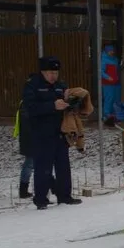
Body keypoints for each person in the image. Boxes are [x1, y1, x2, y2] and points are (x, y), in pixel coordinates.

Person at [22, 56, 82, 210]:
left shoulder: (60, 86)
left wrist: (72, 103)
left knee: (63, 166)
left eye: (56, 72)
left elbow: (67, 104)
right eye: (50, 72)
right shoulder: (32, 86)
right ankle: (41, 199)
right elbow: (30, 108)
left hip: (60, 132)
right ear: (42, 72)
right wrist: (52, 106)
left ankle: (65, 196)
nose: (53, 76)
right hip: (41, 133)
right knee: (43, 167)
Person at [101, 45, 121, 123]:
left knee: (117, 98)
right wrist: (107, 77)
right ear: (106, 51)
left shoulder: (115, 59)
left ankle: (115, 114)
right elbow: (101, 71)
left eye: (112, 51)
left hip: (116, 82)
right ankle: (106, 115)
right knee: (109, 98)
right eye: (110, 51)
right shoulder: (103, 59)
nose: (112, 52)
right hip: (108, 83)